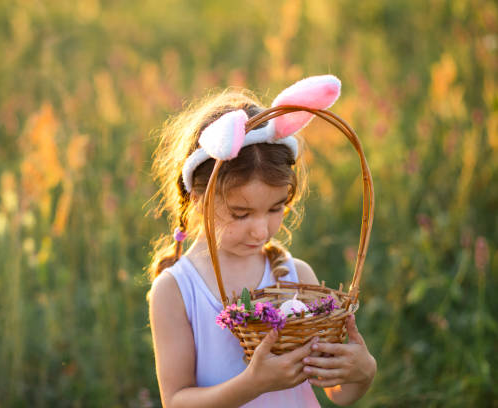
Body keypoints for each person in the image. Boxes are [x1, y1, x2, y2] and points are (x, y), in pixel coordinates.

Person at [147, 75, 376, 407]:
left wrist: (363, 370)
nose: (261, 230)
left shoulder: (297, 278)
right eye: (241, 213)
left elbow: (337, 394)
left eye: (275, 208)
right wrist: (253, 384)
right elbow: (177, 401)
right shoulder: (177, 289)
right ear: (199, 197)